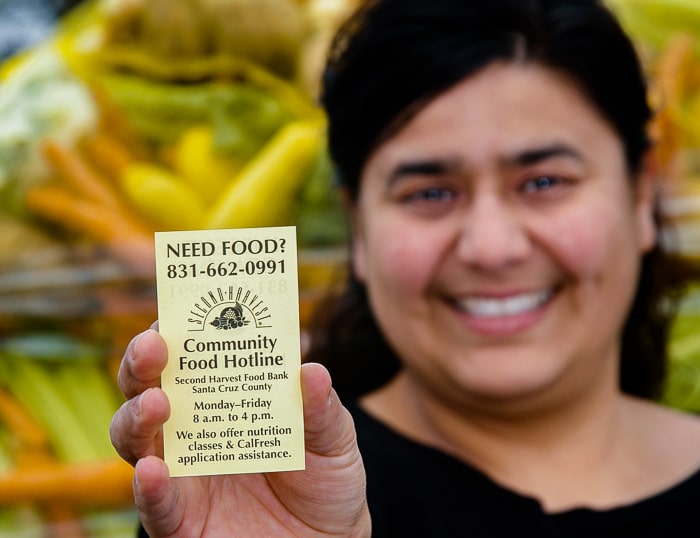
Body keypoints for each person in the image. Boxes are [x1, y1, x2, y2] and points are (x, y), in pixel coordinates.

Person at [111, 0, 700, 536]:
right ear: (358, 229)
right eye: (429, 193)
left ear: (642, 194)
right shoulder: (260, 499)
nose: (491, 247)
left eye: (545, 182)